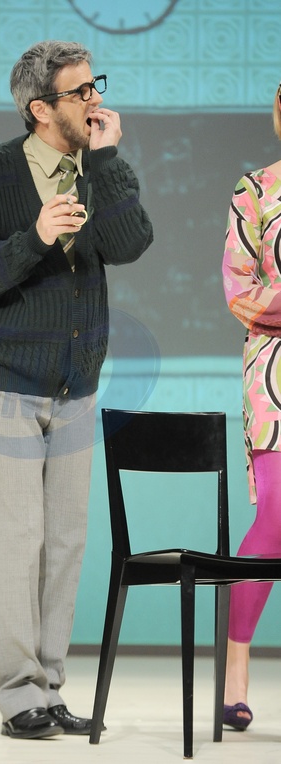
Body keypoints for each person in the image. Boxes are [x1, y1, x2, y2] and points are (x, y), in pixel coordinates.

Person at [0, 40, 153, 740]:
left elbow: (131, 244)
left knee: (65, 540)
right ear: (40, 108)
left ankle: (51, 687)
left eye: (97, 85)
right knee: (18, 539)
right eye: (80, 91)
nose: (95, 100)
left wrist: (108, 161)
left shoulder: (100, 168)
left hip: (76, 383)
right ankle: (18, 696)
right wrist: (34, 236)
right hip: (6, 383)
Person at [222, 81, 281, 732]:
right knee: (278, 516)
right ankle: (236, 664)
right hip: (275, 372)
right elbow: (239, 290)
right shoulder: (256, 190)